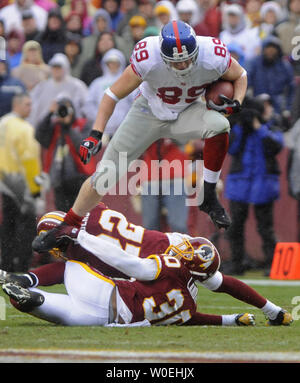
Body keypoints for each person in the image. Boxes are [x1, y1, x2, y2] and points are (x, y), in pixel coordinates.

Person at [40, 20, 247, 241]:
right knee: (105, 176)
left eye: (188, 59)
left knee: (220, 125)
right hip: (148, 112)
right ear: (163, 56)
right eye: (176, 63)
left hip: (187, 112)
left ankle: (209, 194)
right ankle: (67, 226)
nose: (183, 66)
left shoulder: (213, 54)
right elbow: (112, 94)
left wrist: (237, 102)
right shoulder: (148, 57)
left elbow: (240, 75)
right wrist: (96, 133)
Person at [1, 208, 292, 326]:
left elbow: (128, 263)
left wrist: (77, 235)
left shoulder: (172, 255)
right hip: (117, 315)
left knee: (71, 266)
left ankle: (25, 283)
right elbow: (216, 287)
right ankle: (31, 295)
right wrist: (268, 311)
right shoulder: (188, 299)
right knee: (65, 310)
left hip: (121, 274)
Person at [224, 97, 284, 276]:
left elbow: (275, 146)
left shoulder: (272, 126)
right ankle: (237, 262)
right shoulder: (238, 128)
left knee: (265, 227)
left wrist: (258, 127)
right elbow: (231, 149)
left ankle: (271, 263)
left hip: (262, 183)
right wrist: (241, 127)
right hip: (240, 182)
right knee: (235, 226)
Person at [0, 93, 42, 272]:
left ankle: (6, 265)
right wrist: (35, 189)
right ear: (16, 105)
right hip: (22, 183)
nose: (30, 107)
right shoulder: (24, 128)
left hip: (5, 181)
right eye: (27, 104)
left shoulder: (3, 123)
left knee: (8, 227)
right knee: (26, 228)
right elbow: (29, 159)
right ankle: (23, 267)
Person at [35, 96, 96, 212]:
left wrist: (69, 127)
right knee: (62, 216)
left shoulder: (84, 124)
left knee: (81, 215)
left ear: (72, 110)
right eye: (61, 110)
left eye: (66, 109)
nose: (63, 113)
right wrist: (49, 114)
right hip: (59, 181)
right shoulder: (54, 126)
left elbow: (84, 147)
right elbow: (39, 136)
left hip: (80, 178)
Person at [83, 48, 135, 137]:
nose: (113, 65)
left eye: (116, 63)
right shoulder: (97, 83)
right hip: (101, 131)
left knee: (122, 151)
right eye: (110, 63)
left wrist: (125, 120)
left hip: (122, 130)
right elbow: (89, 104)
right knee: (102, 151)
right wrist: (99, 118)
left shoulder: (127, 81)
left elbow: (134, 102)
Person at [29, 52, 88, 128]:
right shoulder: (42, 86)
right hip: (46, 128)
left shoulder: (77, 85)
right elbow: (32, 105)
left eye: (59, 67)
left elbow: (86, 107)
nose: (56, 70)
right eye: (54, 67)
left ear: (66, 68)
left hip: (70, 128)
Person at [247, 35, 295, 116]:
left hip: (278, 109)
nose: (270, 52)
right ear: (263, 49)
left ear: (278, 51)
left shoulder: (285, 66)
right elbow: (247, 82)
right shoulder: (254, 63)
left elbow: (291, 89)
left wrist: (287, 109)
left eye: (273, 49)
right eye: (268, 49)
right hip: (257, 107)